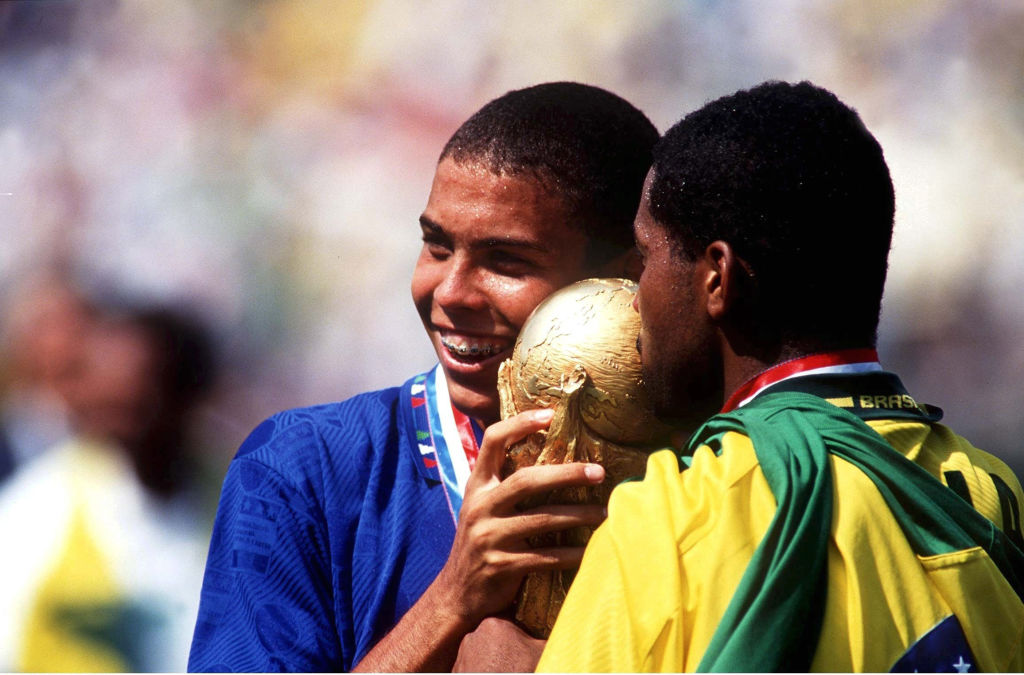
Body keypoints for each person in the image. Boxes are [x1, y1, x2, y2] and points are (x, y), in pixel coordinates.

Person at [459, 80, 1024, 672]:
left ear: (716, 279)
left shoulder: (671, 520)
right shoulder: (992, 490)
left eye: (647, 258)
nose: (633, 301)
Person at [187, 81, 659, 672]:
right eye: (436, 247)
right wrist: (451, 602)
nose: (450, 293)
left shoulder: (705, 471)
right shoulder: (299, 469)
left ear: (625, 279)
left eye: (505, 260)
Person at [0, 303, 219, 672]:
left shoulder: (236, 501)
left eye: (144, 396)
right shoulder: (37, 509)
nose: (125, 409)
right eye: (112, 400)